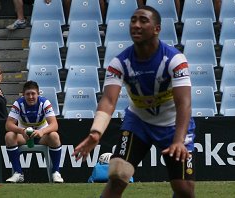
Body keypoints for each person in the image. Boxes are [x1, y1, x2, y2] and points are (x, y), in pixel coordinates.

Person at [72, 5, 196, 198]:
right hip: (138, 123)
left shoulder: (175, 59)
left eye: (143, 20)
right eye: (133, 20)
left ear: (157, 29)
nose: (136, 25)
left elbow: (184, 103)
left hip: (173, 126)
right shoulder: (119, 63)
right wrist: (95, 133)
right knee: (118, 176)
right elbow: (109, 99)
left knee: (184, 189)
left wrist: (178, 141)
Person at [5, 80, 64, 183]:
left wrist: (42, 131)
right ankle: (18, 173)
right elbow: (8, 125)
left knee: (54, 136)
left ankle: (56, 172)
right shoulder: (18, 103)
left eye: (33, 94)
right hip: (25, 137)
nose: (31, 97)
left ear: (38, 93)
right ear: (23, 95)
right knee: (9, 136)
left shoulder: (45, 102)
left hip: (42, 137)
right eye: (28, 94)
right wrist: (22, 130)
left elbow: (54, 125)